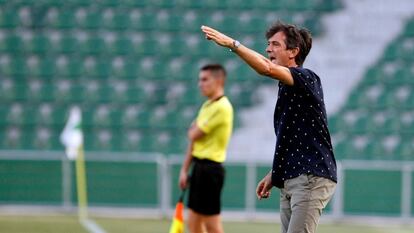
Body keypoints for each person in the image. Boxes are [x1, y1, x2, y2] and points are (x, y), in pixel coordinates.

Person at [201, 22, 337, 233]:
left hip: (310, 177)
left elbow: (266, 67)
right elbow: (295, 139)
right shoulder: (287, 88)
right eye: (268, 44)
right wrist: (275, 174)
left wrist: (232, 44)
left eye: (275, 44)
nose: (268, 49)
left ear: (293, 51)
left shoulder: (307, 77)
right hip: (291, 177)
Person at [179, 64, 233, 233]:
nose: (200, 84)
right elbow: (193, 139)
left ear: (218, 81)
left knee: (212, 225)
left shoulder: (222, 106)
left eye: (204, 79)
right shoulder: (207, 105)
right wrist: (185, 169)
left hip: (211, 170)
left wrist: (192, 130)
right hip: (199, 168)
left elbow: (193, 134)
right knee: (193, 223)